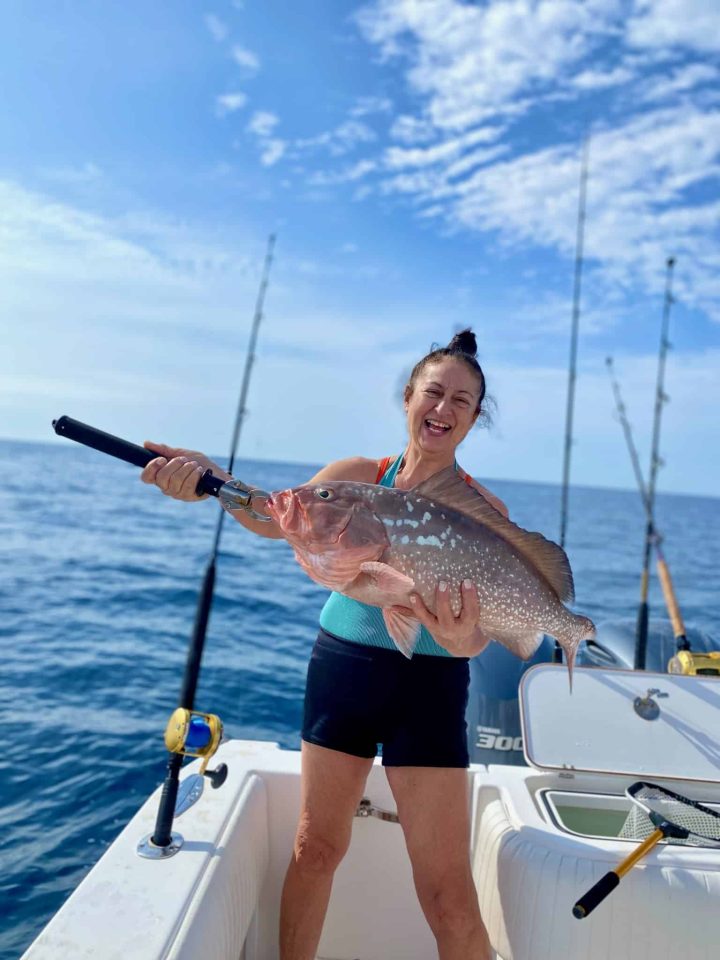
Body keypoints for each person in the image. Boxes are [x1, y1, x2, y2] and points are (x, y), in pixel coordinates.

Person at [141, 328, 506, 960]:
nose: (443, 410)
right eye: (434, 393)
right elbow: (270, 513)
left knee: (447, 893)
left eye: (462, 402)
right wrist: (208, 478)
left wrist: (460, 637)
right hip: (345, 670)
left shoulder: (482, 513)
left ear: (475, 420)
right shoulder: (352, 480)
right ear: (408, 398)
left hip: (431, 688)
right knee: (316, 849)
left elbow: (480, 636)